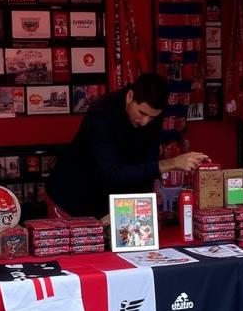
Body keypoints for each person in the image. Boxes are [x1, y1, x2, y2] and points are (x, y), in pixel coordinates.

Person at [45, 73, 209, 219]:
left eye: (152, 117)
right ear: (130, 96)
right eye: (142, 113)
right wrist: (172, 164)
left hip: (108, 204)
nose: (145, 122)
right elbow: (112, 174)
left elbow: (147, 163)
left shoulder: (150, 115)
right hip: (71, 200)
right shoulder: (102, 115)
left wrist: (139, 212)